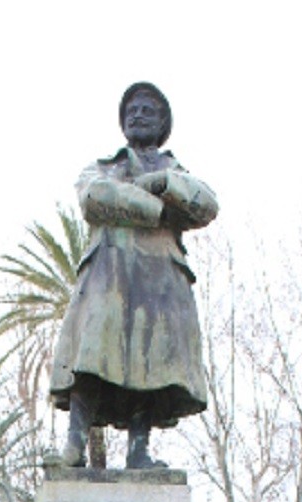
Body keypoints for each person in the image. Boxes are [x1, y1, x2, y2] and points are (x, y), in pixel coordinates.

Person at [50, 82, 218, 469]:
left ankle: (138, 450)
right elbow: (95, 199)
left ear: (162, 124)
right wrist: (159, 211)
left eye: (147, 110)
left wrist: (162, 183)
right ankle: (74, 443)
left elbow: (206, 205)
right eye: (132, 110)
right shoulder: (104, 167)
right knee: (90, 354)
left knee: (152, 362)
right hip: (109, 272)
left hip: (160, 277)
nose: (137, 114)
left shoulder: (177, 172)